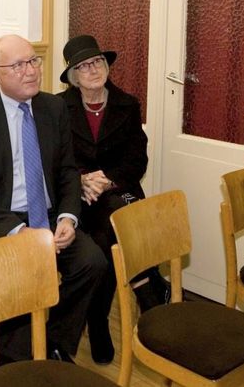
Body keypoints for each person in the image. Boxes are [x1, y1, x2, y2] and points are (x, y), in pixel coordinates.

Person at [0, 34, 107, 364]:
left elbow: (66, 171)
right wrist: (20, 234)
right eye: (18, 65)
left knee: (92, 262)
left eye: (34, 61)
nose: (31, 71)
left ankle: (54, 343)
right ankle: (14, 365)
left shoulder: (53, 107)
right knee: (20, 277)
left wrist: (67, 217)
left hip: (46, 215)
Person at [57, 34, 166, 365]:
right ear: (74, 75)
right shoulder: (59, 107)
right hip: (78, 200)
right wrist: (79, 181)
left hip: (117, 190)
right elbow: (55, 157)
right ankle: (149, 290)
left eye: (98, 62)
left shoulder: (127, 104)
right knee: (116, 227)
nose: (93, 69)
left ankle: (97, 320)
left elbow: (137, 160)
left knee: (110, 230)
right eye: (84, 65)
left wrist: (105, 180)